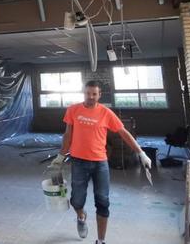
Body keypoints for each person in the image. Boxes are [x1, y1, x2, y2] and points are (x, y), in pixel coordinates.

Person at [50, 80, 152, 244]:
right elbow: (68, 135)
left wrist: (141, 153)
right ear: (83, 93)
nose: (90, 97)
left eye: (94, 94)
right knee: (76, 200)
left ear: (99, 95)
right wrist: (61, 156)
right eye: (88, 93)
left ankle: (101, 240)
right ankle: (81, 216)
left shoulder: (106, 113)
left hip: (100, 163)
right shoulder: (73, 110)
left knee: (103, 202)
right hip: (79, 162)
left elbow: (124, 133)